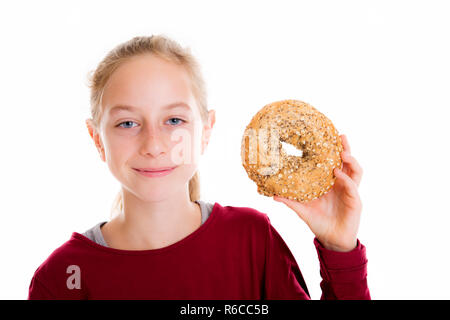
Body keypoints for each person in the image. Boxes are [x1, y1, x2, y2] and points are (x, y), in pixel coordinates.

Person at [27, 34, 370, 300]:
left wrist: (341, 251)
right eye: (127, 123)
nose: (154, 145)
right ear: (96, 138)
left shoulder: (251, 240)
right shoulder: (63, 277)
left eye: (174, 119)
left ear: (206, 131)